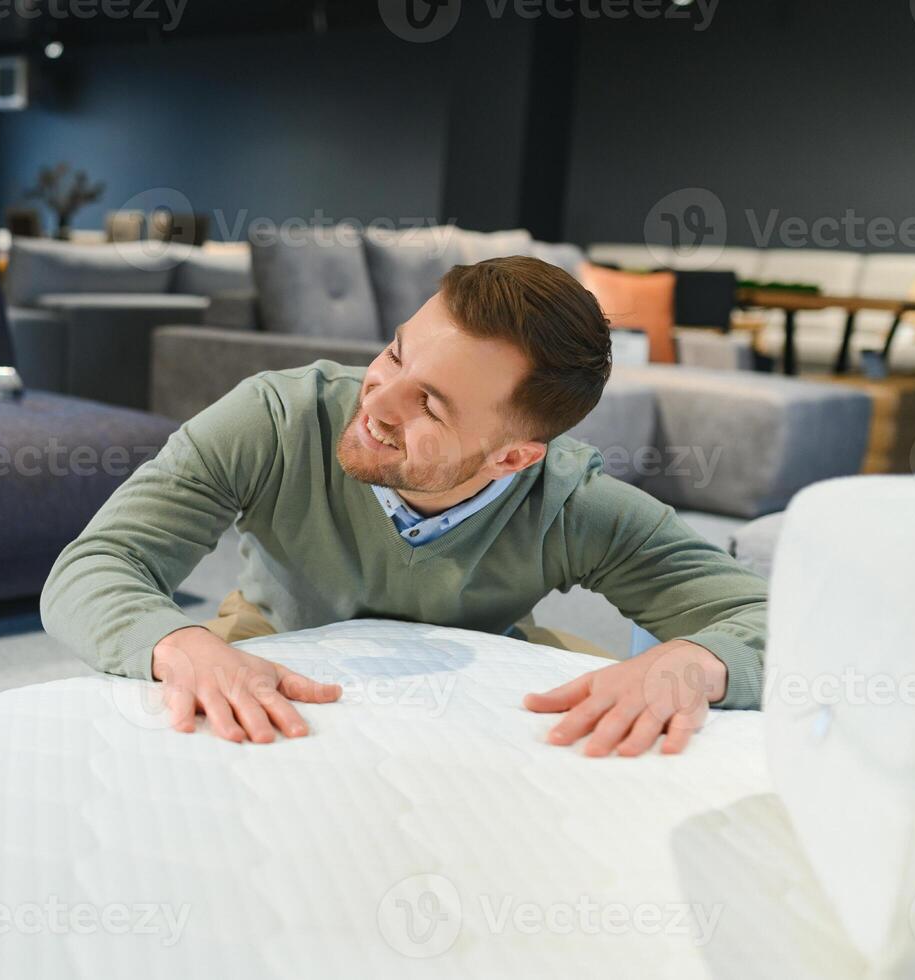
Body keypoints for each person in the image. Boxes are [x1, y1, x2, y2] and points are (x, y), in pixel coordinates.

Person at [41, 256, 766, 755]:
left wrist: (695, 663)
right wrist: (180, 644)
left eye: (430, 405)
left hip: (490, 654)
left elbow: (774, 623)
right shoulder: (275, 418)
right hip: (274, 631)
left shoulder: (568, 502)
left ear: (511, 458)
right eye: (394, 354)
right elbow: (98, 565)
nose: (376, 405)